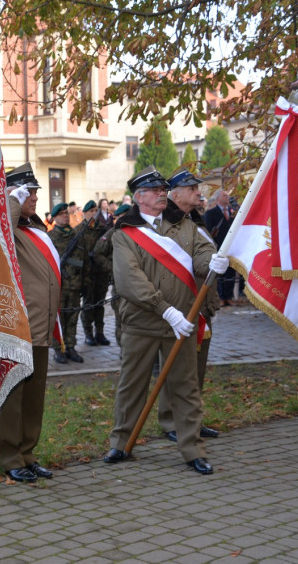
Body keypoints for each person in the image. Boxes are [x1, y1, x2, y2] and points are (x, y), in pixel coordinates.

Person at [102, 166, 225, 476]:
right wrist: (164, 309)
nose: (161, 193)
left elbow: (200, 254)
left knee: (185, 387)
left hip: (181, 322)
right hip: (143, 322)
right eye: (154, 190)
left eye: (162, 189)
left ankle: (192, 449)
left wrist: (213, 261)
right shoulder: (124, 232)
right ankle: (121, 442)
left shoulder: (183, 225)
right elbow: (130, 279)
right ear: (139, 197)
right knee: (132, 385)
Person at [0, 163, 58, 483]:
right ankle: (10, 456)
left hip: (42, 324)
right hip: (18, 326)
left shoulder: (35, 229)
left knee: (35, 395)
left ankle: (28, 452)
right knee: (15, 394)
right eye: (27, 192)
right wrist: (9, 202)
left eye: (34, 191)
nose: (34, 197)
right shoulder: (7, 228)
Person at [158, 168, 221, 442]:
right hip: (178, 304)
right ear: (176, 194)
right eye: (193, 188)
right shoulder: (163, 223)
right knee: (175, 366)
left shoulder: (196, 220)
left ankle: (192, 418)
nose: (198, 192)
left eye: (198, 187)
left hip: (201, 303)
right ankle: (171, 421)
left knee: (196, 366)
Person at [47, 203, 83, 364]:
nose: (65, 216)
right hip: (59, 287)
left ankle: (70, 347)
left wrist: (84, 281)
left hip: (74, 285)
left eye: (66, 213)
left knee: (73, 318)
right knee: (59, 320)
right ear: (54, 218)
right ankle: (58, 349)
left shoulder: (75, 235)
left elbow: (84, 262)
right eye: (61, 214)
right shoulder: (50, 238)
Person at [91, 203, 130, 347]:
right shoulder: (113, 233)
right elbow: (98, 252)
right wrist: (113, 268)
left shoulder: (139, 232)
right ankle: (123, 349)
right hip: (119, 285)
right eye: (121, 217)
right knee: (121, 319)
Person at [80, 200, 112, 346]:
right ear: (84, 213)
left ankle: (100, 332)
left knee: (99, 304)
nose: (93, 214)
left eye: (94, 211)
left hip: (101, 273)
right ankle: (88, 334)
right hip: (87, 275)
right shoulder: (78, 231)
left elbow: (108, 250)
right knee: (87, 305)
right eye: (90, 211)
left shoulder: (102, 229)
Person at [203, 189, 236, 305]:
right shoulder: (210, 213)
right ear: (217, 199)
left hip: (232, 248)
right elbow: (208, 231)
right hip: (218, 247)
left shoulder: (234, 212)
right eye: (224, 195)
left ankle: (229, 297)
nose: (227, 197)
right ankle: (221, 298)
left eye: (227, 195)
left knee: (231, 273)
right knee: (219, 274)